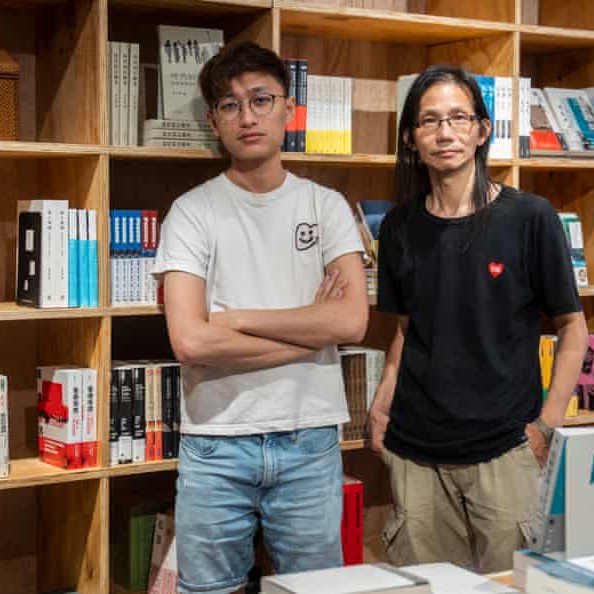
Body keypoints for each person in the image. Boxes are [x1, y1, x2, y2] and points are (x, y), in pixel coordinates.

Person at [152, 41, 368, 594]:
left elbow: (350, 325)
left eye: (261, 99)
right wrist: (307, 335)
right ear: (214, 122)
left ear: (288, 110)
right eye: (229, 105)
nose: (247, 116)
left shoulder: (326, 206)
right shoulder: (191, 212)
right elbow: (192, 342)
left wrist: (237, 317)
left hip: (309, 439)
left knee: (316, 590)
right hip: (216, 442)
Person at [368, 65, 589, 573]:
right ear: (411, 138)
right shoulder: (399, 226)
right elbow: (406, 328)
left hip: (506, 450)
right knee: (427, 588)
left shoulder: (530, 217)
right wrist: (382, 401)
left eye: (458, 118)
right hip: (415, 454)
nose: (445, 133)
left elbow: (573, 329)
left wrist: (546, 427)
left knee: (515, 584)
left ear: (482, 130)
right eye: (429, 121)